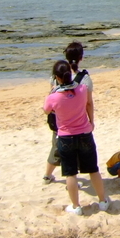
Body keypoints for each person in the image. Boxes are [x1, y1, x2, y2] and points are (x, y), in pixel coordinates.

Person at [43, 59, 109, 215]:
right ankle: (102, 201)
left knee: (70, 173)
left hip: (66, 137)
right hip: (85, 133)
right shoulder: (82, 89)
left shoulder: (54, 97)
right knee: (93, 169)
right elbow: (87, 102)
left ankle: (76, 205)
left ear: (57, 77)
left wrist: (52, 91)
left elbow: (46, 110)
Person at [44, 45, 92, 183]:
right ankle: (71, 180)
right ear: (81, 57)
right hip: (79, 121)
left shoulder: (57, 73)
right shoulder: (84, 78)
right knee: (77, 151)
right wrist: (91, 120)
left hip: (60, 121)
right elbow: (89, 102)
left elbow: (51, 99)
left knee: (57, 147)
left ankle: (47, 175)